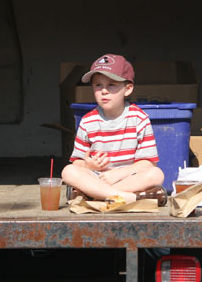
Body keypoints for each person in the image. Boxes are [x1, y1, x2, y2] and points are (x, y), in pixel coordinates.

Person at [61, 54, 166, 205]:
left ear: (128, 89)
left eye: (111, 85)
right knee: (68, 172)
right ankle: (123, 197)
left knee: (156, 174)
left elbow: (148, 163)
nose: (104, 91)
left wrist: (118, 174)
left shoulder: (139, 118)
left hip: (128, 178)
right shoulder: (87, 121)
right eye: (98, 85)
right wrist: (88, 166)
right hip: (96, 177)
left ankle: (95, 195)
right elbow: (77, 163)